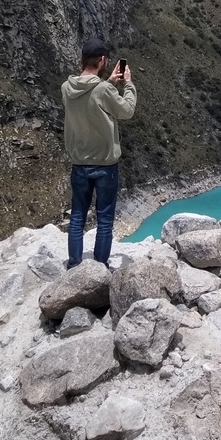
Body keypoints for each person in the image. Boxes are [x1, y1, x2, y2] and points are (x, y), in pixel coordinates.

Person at [61, 36, 137, 269]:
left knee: (77, 217)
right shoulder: (103, 89)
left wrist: (109, 84)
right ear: (102, 60)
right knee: (104, 219)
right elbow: (126, 111)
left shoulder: (66, 88)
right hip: (105, 166)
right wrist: (128, 85)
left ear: (83, 60)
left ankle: (75, 264)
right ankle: (99, 268)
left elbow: (90, 103)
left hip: (79, 163)